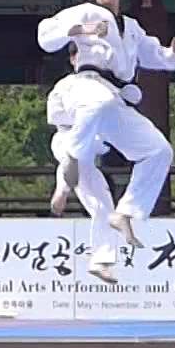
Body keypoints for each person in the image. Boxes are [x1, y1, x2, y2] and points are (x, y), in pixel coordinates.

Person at [36, 0, 175, 282]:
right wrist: (81, 30)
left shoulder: (132, 28)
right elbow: (46, 36)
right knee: (99, 103)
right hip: (87, 85)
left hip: (115, 97)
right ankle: (71, 161)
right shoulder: (85, 11)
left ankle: (127, 214)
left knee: (158, 151)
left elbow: (156, 56)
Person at [46, 48, 115, 220]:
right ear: (72, 59)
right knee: (75, 159)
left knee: (92, 183)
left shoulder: (105, 85)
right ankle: (63, 188)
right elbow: (54, 116)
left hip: (92, 139)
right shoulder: (64, 85)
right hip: (67, 135)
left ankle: (63, 189)